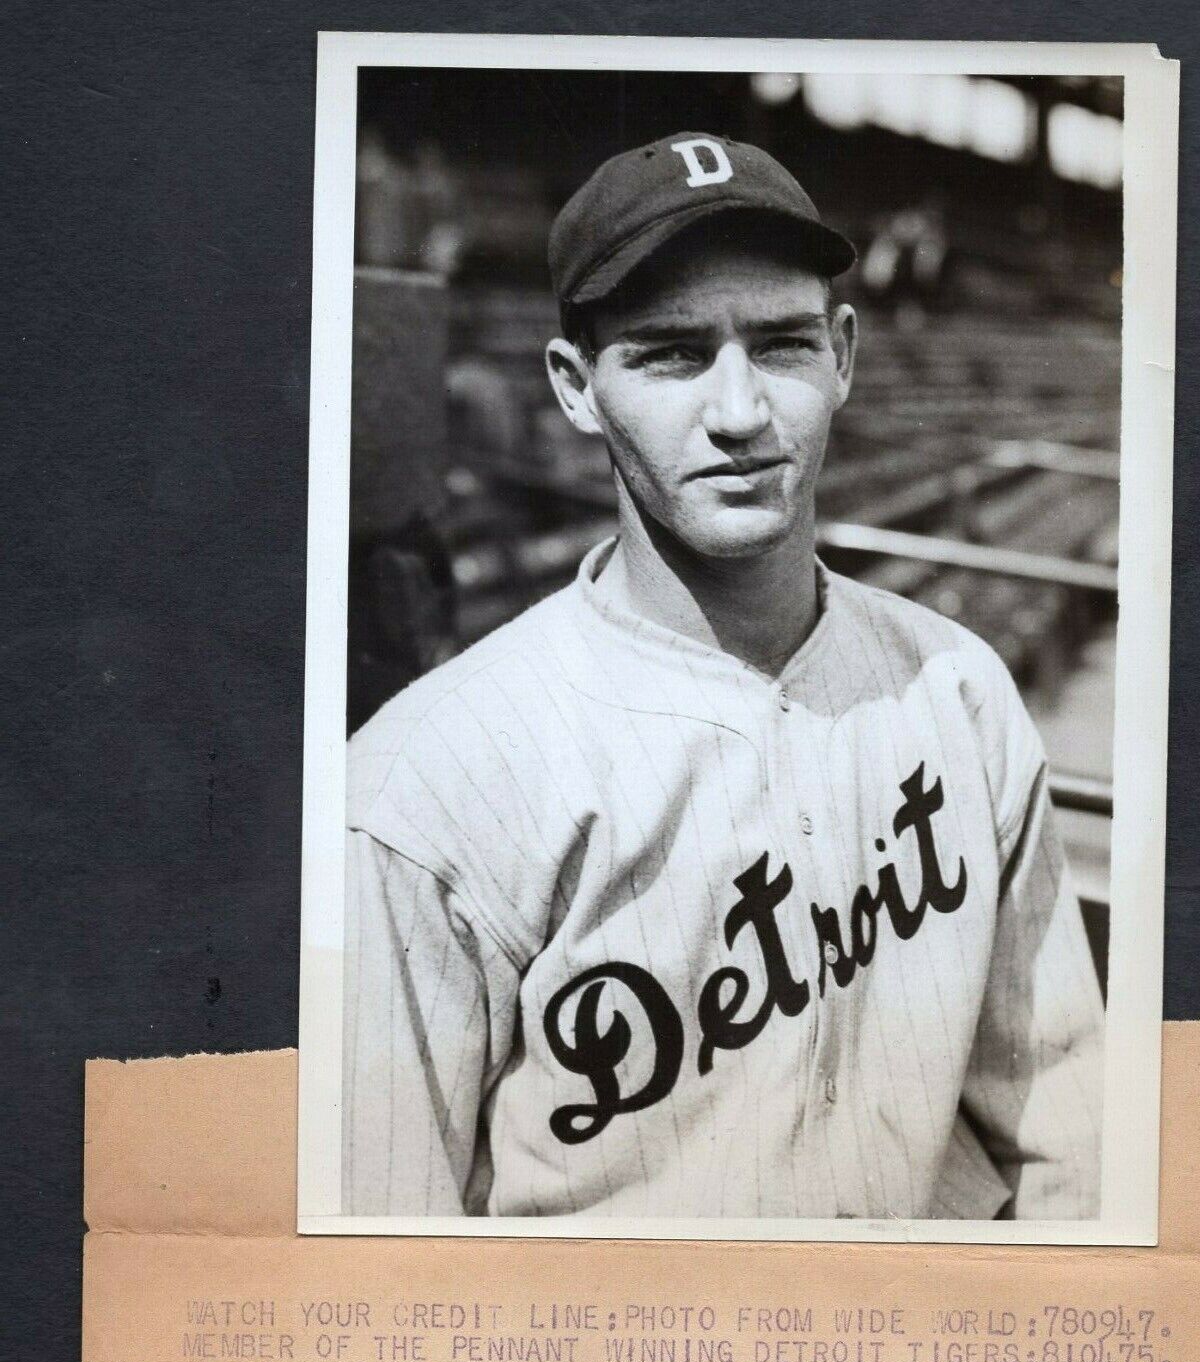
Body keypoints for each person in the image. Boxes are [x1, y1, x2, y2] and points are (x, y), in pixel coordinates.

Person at [343, 133, 1104, 1222]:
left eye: (782, 345)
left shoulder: (961, 692)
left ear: (843, 355)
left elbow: (1065, 1132)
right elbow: (380, 1271)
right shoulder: (423, 789)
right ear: (575, 386)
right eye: (669, 353)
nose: (740, 412)